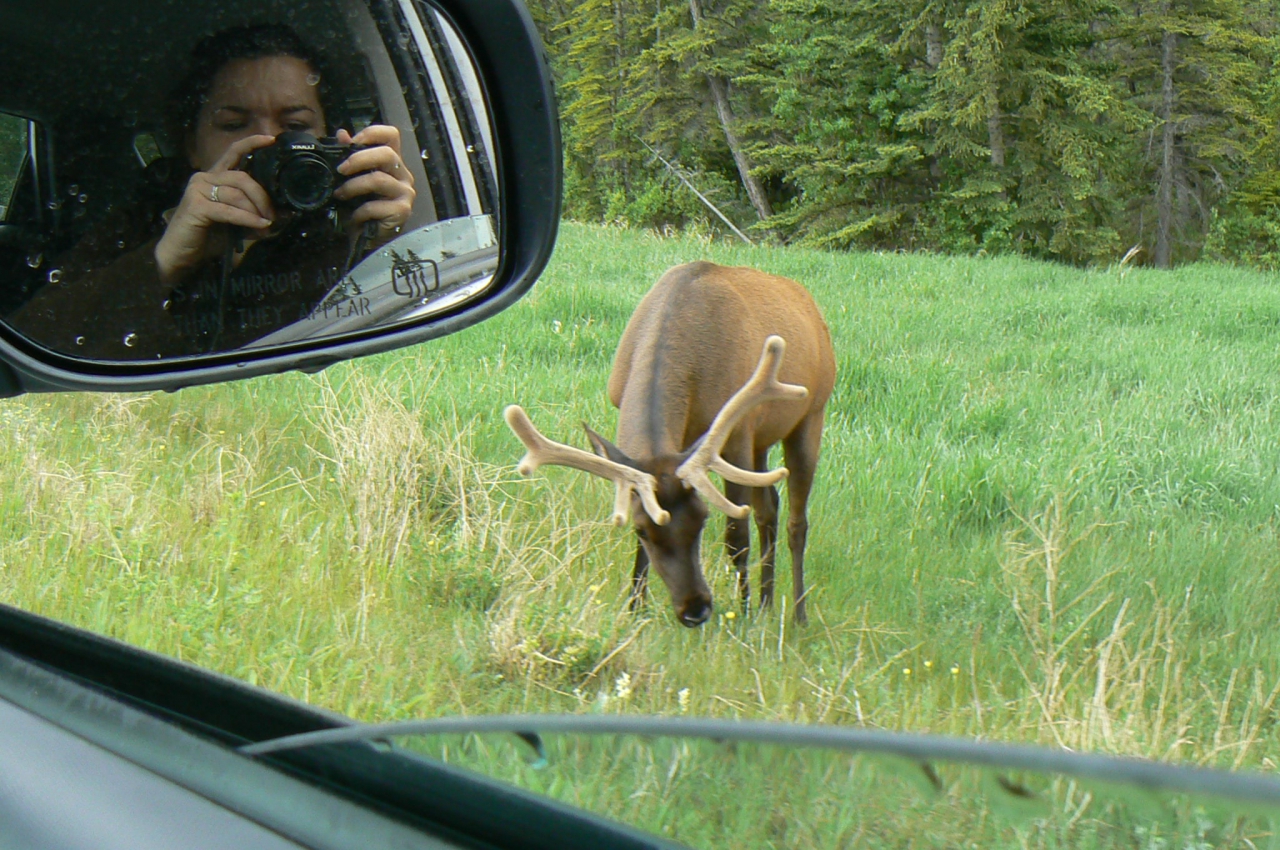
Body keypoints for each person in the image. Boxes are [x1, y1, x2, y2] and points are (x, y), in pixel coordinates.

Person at [8, 24, 415, 359]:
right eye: (233, 124)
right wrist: (166, 260)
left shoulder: (346, 219)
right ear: (191, 145)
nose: (266, 143)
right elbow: (34, 350)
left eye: (295, 127)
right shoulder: (144, 221)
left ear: (332, 140)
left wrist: (379, 245)